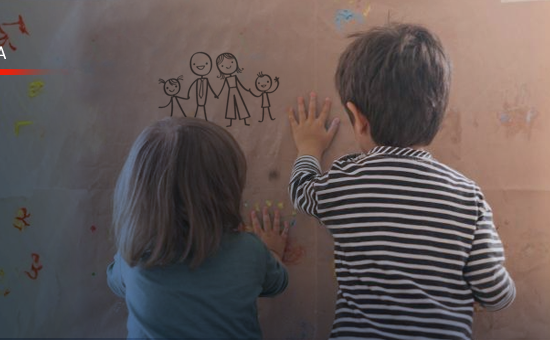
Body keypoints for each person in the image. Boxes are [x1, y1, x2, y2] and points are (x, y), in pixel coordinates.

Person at [287, 23, 515, 340]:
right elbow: (495, 294)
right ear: (439, 114)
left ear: (359, 119)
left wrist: (309, 147)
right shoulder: (467, 197)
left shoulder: (345, 182)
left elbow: (301, 192)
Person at [107, 117, 290, 339]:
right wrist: (272, 251)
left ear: (135, 192)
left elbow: (116, 283)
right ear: (226, 189)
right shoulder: (249, 251)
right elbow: (278, 283)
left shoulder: (133, 258)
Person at [215, 53, 252, 127]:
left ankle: (245, 120)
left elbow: (241, 84)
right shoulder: (228, 77)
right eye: (223, 66)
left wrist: (247, 89)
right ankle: (231, 122)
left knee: (240, 105)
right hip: (231, 92)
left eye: (231, 62)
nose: (228, 66)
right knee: (230, 107)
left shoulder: (235, 76)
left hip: (237, 91)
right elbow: (223, 87)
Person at [186, 52, 218, 120]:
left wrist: (215, 94)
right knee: (199, 106)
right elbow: (191, 87)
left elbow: (210, 88)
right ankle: (196, 117)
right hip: (198, 97)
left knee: (202, 107)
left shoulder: (207, 80)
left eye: (206, 64)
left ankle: (202, 118)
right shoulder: (196, 81)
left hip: (204, 98)